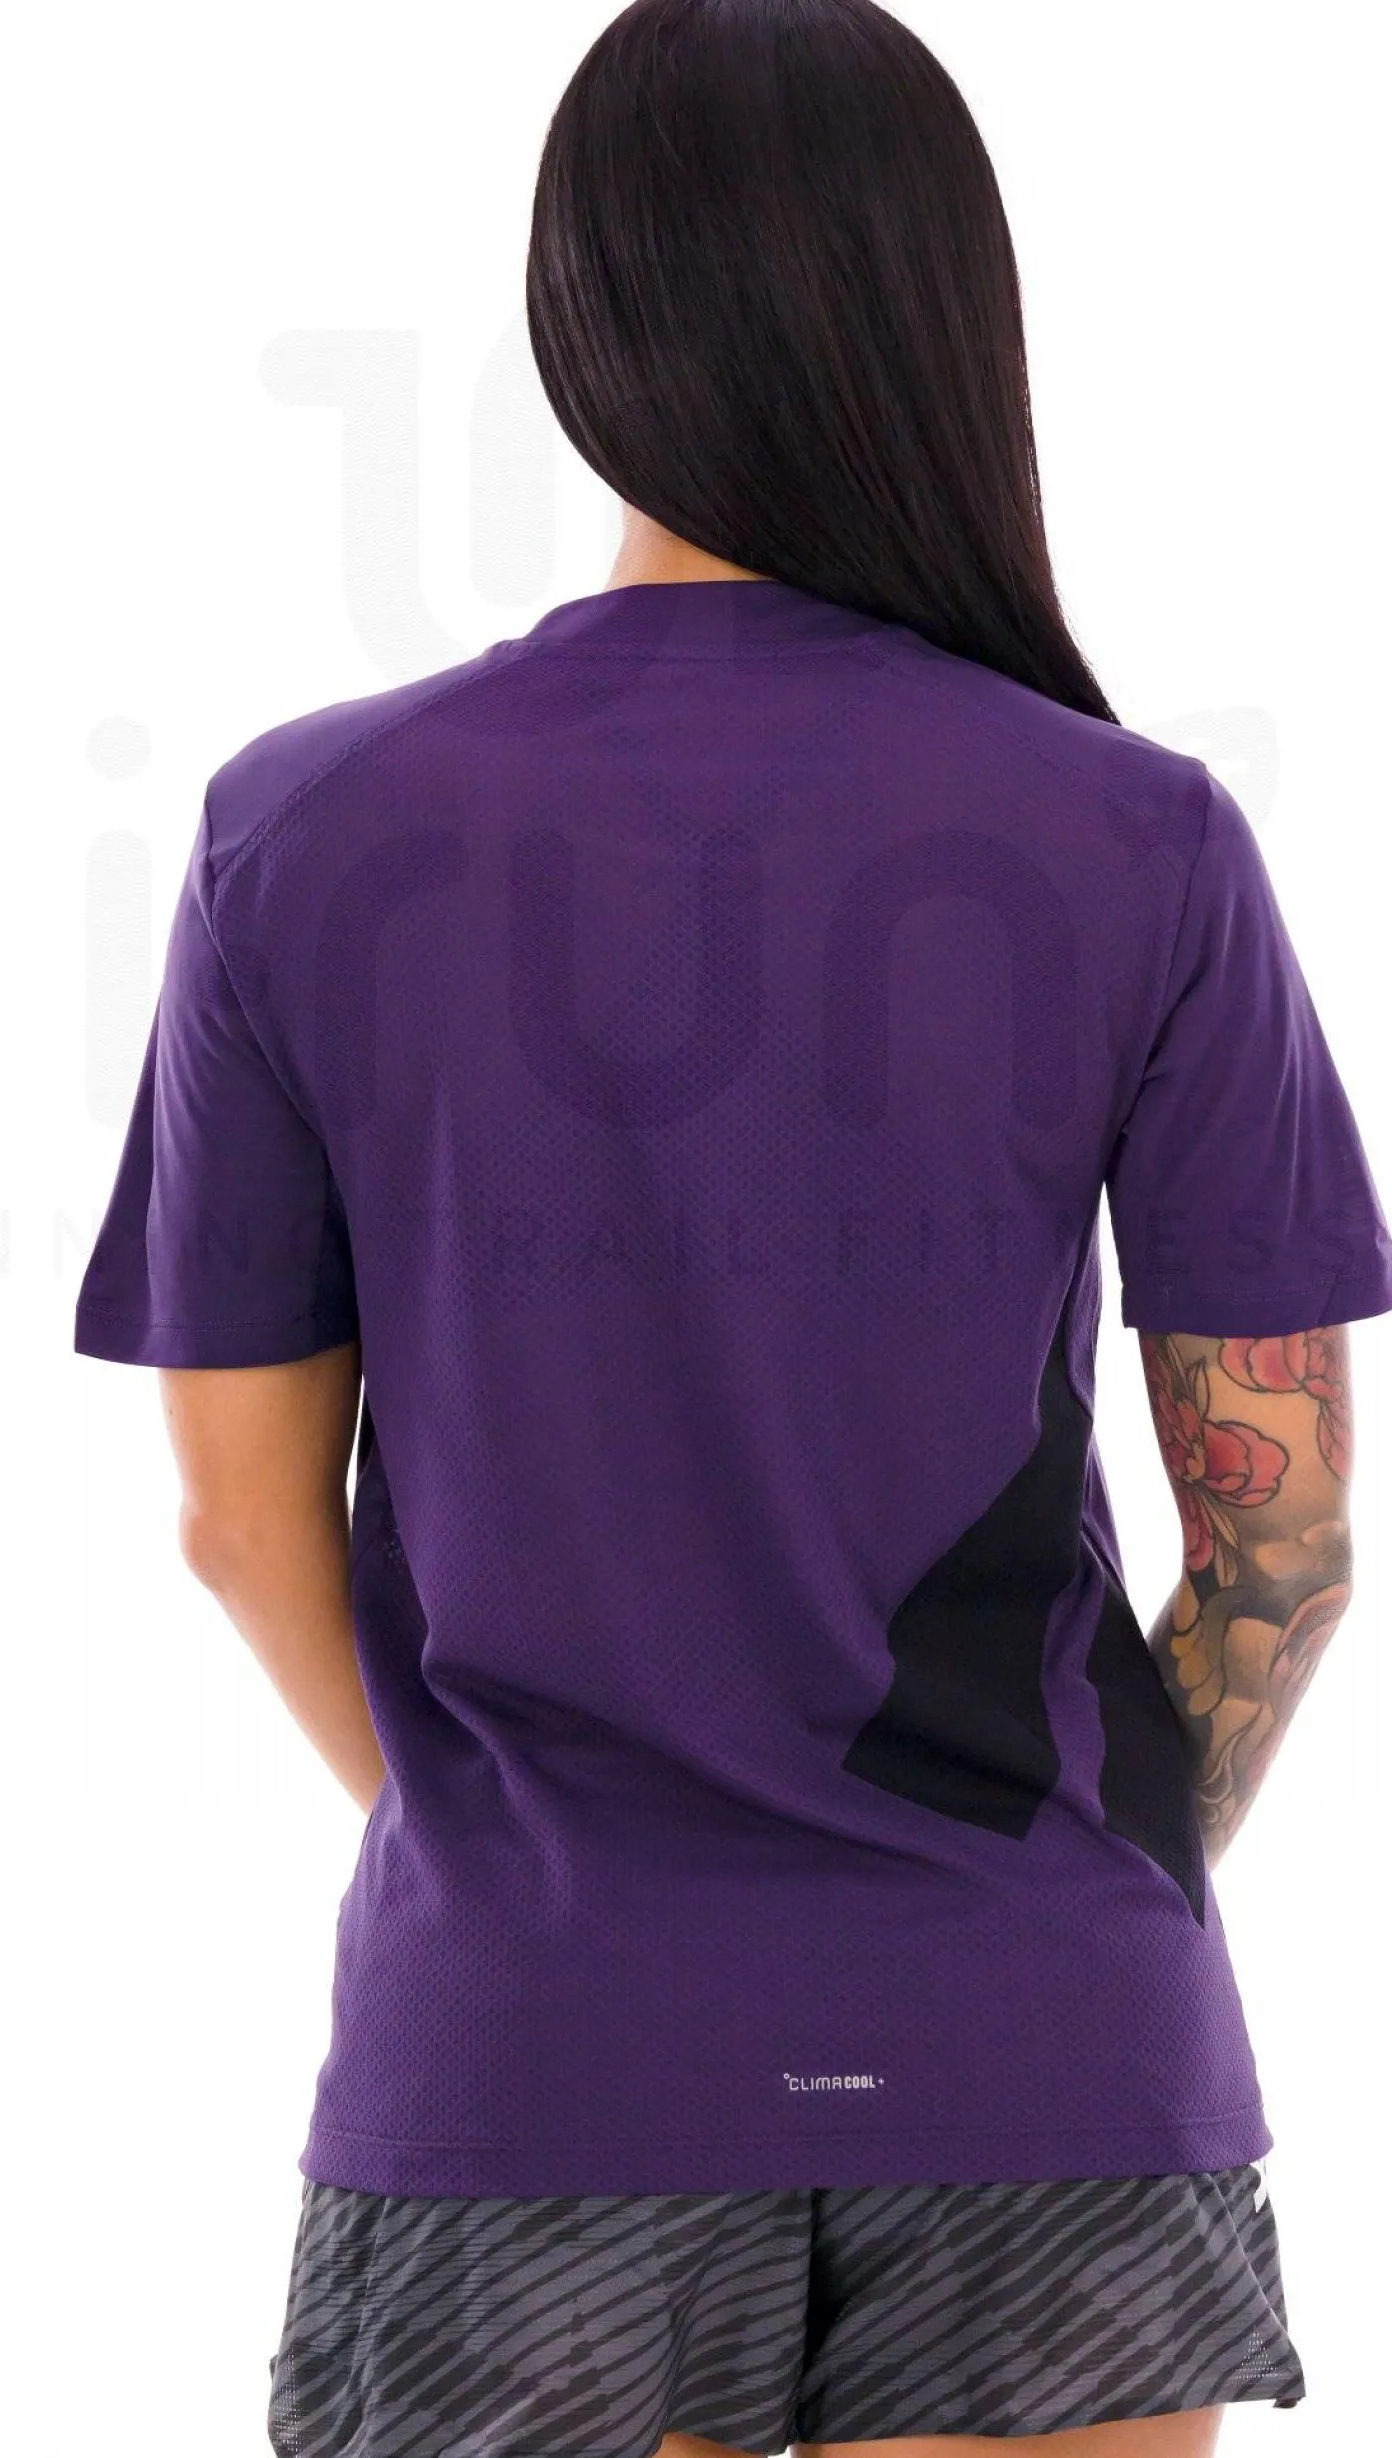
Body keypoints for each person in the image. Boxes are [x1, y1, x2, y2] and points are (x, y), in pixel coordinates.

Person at [72, 3, 1392, 2451]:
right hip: (1042, 2055)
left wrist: (534, 1885)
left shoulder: (305, 829)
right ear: (949, 316)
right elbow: (1280, 1549)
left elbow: (242, 1523)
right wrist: (1065, 1894)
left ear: (582, 326)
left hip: (536, 2051)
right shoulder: (1138, 838)